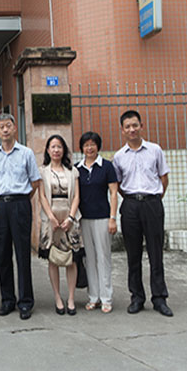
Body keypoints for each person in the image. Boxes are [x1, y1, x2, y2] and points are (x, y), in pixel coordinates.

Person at [113, 110, 173, 317]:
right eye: (127, 126)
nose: (132, 129)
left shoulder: (155, 150)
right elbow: (118, 184)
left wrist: (154, 198)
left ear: (141, 126)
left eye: (135, 125)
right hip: (130, 205)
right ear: (122, 130)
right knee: (133, 254)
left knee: (156, 253)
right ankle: (137, 297)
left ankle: (159, 298)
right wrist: (132, 199)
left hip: (152, 204)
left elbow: (163, 178)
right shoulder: (119, 156)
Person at [0, 113, 41, 320]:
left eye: (8, 125)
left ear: (15, 128)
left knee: (22, 254)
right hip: (0, 206)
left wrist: (23, 199)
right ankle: (8, 299)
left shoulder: (26, 153)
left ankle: (25, 301)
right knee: (2, 254)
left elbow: (35, 182)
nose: (5, 129)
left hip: (20, 204)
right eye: (1, 127)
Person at [38, 134, 82, 316]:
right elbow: (41, 196)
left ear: (64, 150)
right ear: (48, 150)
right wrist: (51, 217)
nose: (56, 150)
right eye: (53, 147)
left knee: (71, 259)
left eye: (59, 147)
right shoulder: (42, 171)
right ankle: (57, 297)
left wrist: (71, 218)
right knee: (53, 259)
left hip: (69, 217)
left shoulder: (73, 171)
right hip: (51, 219)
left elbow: (77, 196)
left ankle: (71, 298)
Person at [76, 131, 118, 314]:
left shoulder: (107, 166)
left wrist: (112, 218)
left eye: (92, 144)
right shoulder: (77, 169)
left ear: (98, 146)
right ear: (81, 148)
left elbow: (114, 193)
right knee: (89, 258)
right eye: (86, 145)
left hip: (102, 218)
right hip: (84, 219)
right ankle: (93, 296)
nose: (89, 148)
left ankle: (106, 297)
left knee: (103, 257)